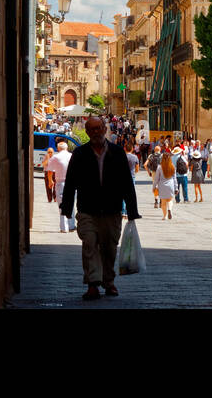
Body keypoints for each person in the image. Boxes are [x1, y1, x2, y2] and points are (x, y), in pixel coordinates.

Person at [60, 116, 141, 300]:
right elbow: (71, 182)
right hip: (87, 209)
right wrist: (66, 207)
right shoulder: (80, 154)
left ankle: (108, 281)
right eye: (92, 129)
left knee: (109, 248)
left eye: (98, 128)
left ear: (105, 129)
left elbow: (126, 183)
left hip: (111, 210)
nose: (96, 132)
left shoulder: (117, 153)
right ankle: (93, 284)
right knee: (89, 245)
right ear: (87, 132)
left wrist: (132, 209)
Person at [46, 141, 75, 233]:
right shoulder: (72, 156)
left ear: (58, 148)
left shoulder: (55, 157)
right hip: (72, 184)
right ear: (66, 148)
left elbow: (49, 171)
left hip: (60, 183)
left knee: (61, 205)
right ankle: (71, 225)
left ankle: (64, 227)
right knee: (71, 204)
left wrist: (50, 181)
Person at [155, 149, 177, 219]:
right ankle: (170, 209)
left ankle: (165, 216)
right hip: (170, 185)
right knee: (170, 200)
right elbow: (174, 179)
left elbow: (156, 179)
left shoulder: (159, 167)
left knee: (163, 202)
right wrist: (176, 187)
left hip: (162, 186)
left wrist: (154, 186)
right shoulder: (172, 167)